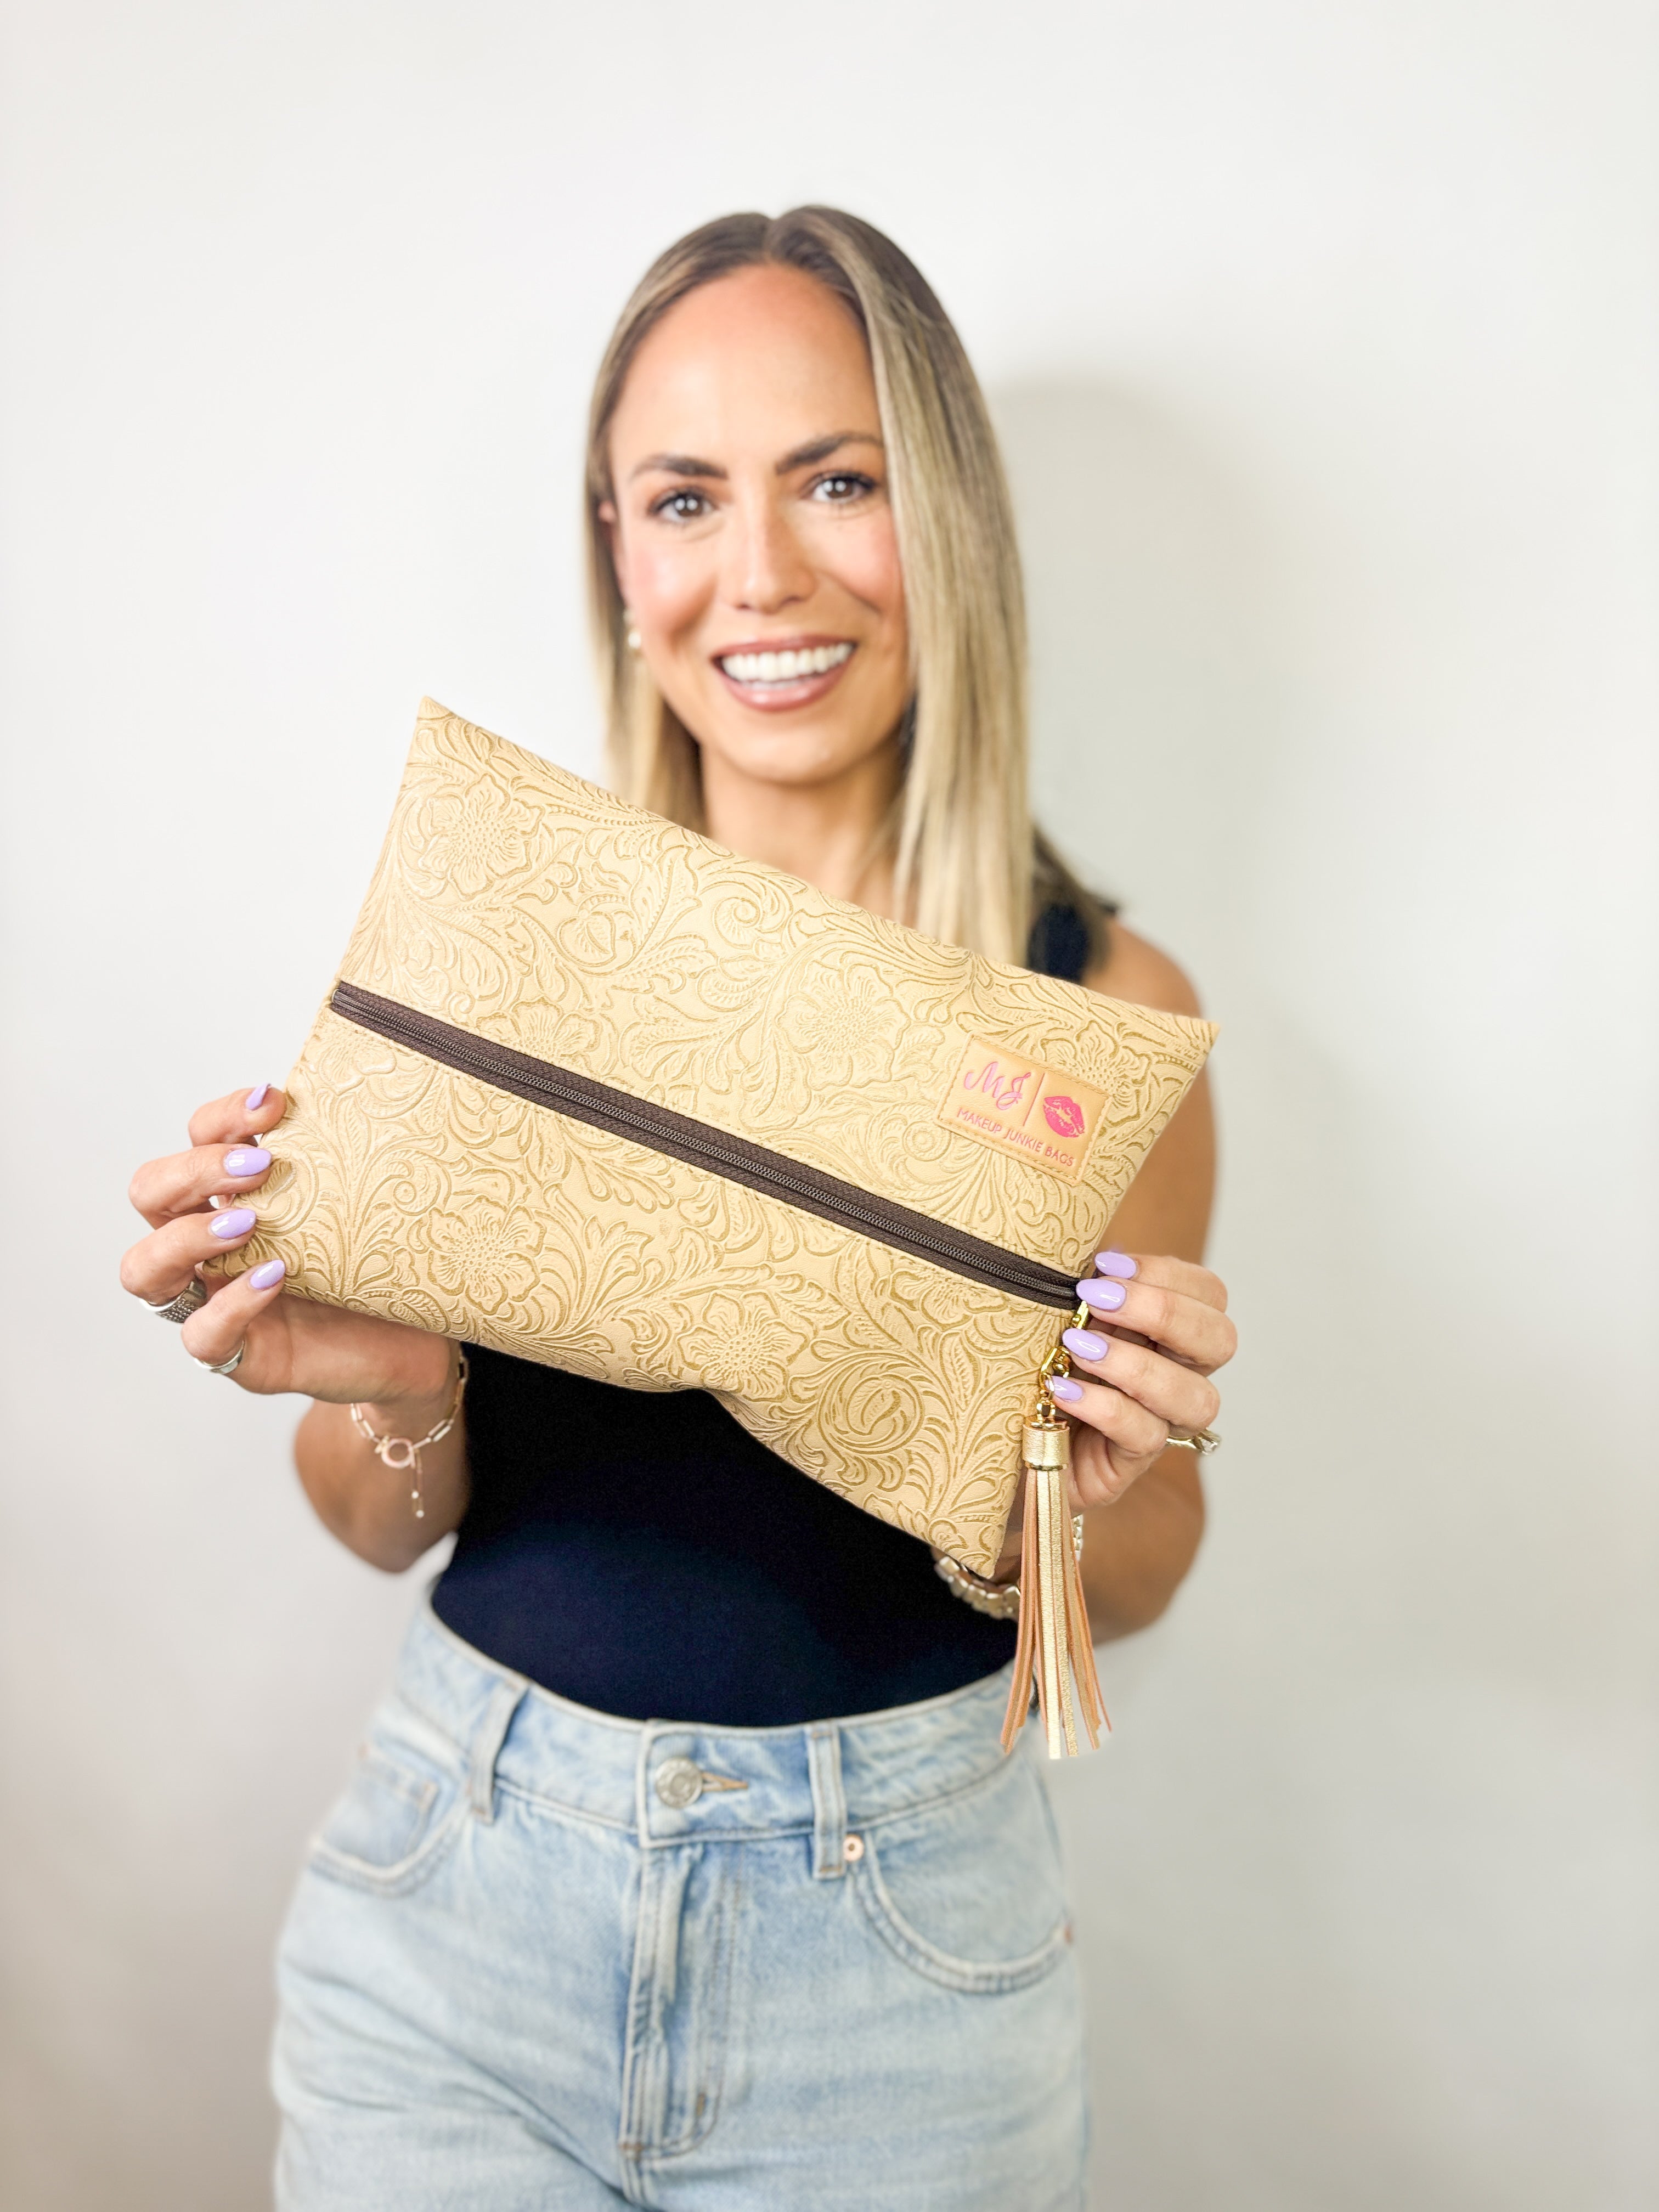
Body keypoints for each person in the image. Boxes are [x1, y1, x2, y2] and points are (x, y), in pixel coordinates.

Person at [121, 208, 1235, 2210]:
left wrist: (1066, 1479)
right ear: (618, 558)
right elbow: (375, 1515)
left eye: (839, 480)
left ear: (947, 523)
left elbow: (1138, 1572)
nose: (765, 574)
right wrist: (386, 1379)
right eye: (685, 497)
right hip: (456, 1907)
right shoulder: (510, 949)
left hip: (899, 1985)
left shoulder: (1101, 1016)